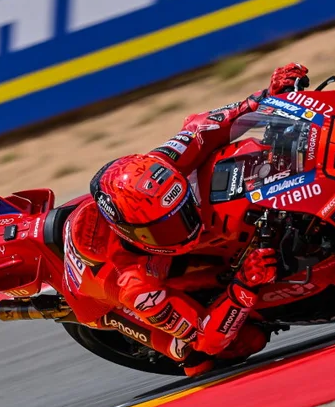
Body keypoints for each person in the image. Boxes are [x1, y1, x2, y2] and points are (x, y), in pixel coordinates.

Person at [61, 62, 312, 376]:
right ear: (131, 234)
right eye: (163, 229)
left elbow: (206, 127)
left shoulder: (160, 166)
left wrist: (269, 97)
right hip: (118, 292)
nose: (182, 228)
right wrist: (245, 283)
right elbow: (207, 338)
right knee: (213, 353)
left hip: (156, 248)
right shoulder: (135, 285)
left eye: (181, 212)